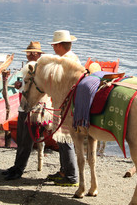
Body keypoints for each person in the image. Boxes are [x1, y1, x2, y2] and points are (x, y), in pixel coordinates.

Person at [2, 41, 45, 180]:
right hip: (23, 106)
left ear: (38, 54)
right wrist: (20, 86)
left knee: (26, 140)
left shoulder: (39, 69)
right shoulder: (30, 68)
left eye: (33, 53)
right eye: (28, 53)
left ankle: (19, 168)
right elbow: (26, 87)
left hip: (32, 108)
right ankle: (16, 166)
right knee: (21, 138)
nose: (30, 55)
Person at [46, 30, 80, 187]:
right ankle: (63, 171)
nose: (53, 48)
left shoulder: (64, 61)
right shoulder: (73, 58)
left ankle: (71, 176)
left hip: (64, 107)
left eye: (54, 45)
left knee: (64, 139)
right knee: (62, 140)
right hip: (68, 105)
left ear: (60, 45)